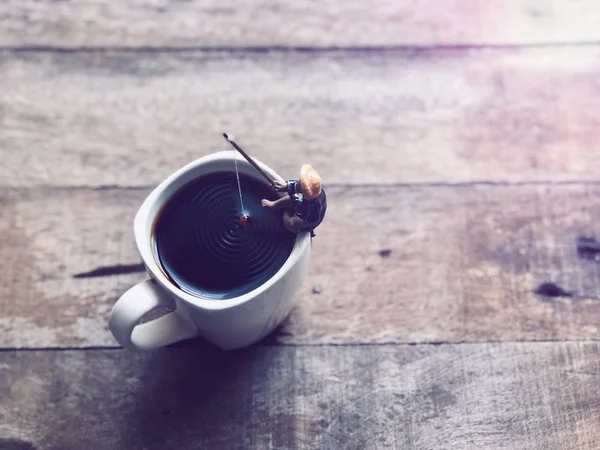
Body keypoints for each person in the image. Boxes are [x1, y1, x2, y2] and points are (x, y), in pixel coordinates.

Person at [261, 164, 327, 235]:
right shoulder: (314, 190)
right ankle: (274, 205)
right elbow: (297, 186)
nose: (298, 184)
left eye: (300, 186)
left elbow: (312, 219)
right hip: (302, 207)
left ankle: (288, 214)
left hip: (305, 218)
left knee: (291, 223)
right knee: (289, 198)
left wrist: (300, 219)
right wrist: (285, 187)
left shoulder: (315, 206)